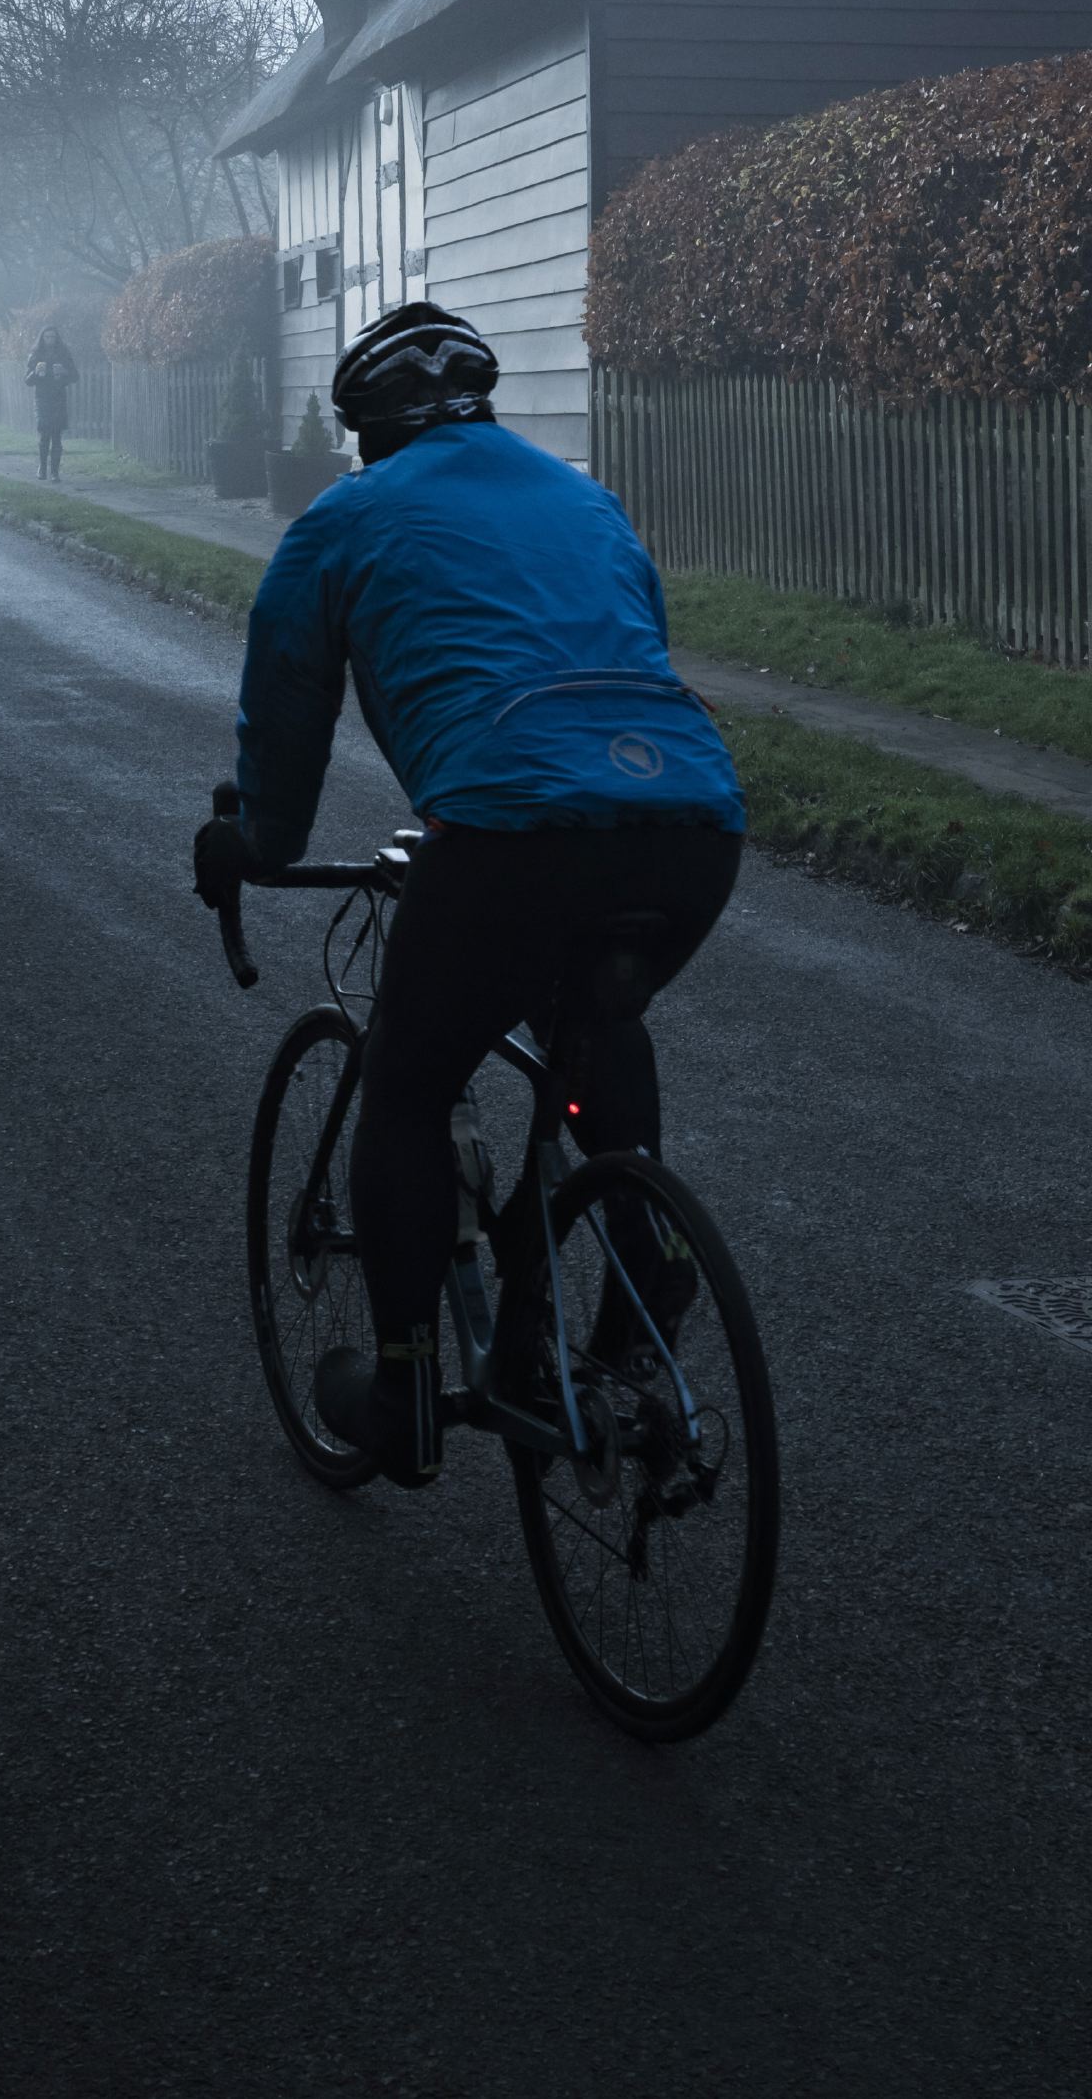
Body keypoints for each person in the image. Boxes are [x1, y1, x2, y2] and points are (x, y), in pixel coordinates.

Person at [192, 304, 745, 1485]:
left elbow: (283, 740)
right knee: (596, 1019)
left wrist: (249, 845)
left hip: (508, 835)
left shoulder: (340, 522)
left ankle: (402, 1393)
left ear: (364, 436)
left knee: (406, 1086)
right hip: (694, 817)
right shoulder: (584, 499)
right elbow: (625, 655)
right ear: (482, 407)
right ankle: (637, 1244)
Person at [23, 323, 79, 482]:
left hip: (59, 398)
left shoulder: (64, 354)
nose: (50, 340)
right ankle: (42, 468)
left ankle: (55, 472)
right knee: (44, 434)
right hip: (42, 399)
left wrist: (64, 372)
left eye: (53, 336)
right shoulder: (35, 355)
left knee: (57, 436)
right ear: (42, 338)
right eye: (47, 337)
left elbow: (75, 376)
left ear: (57, 338)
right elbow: (27, 381)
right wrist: (36, 372)